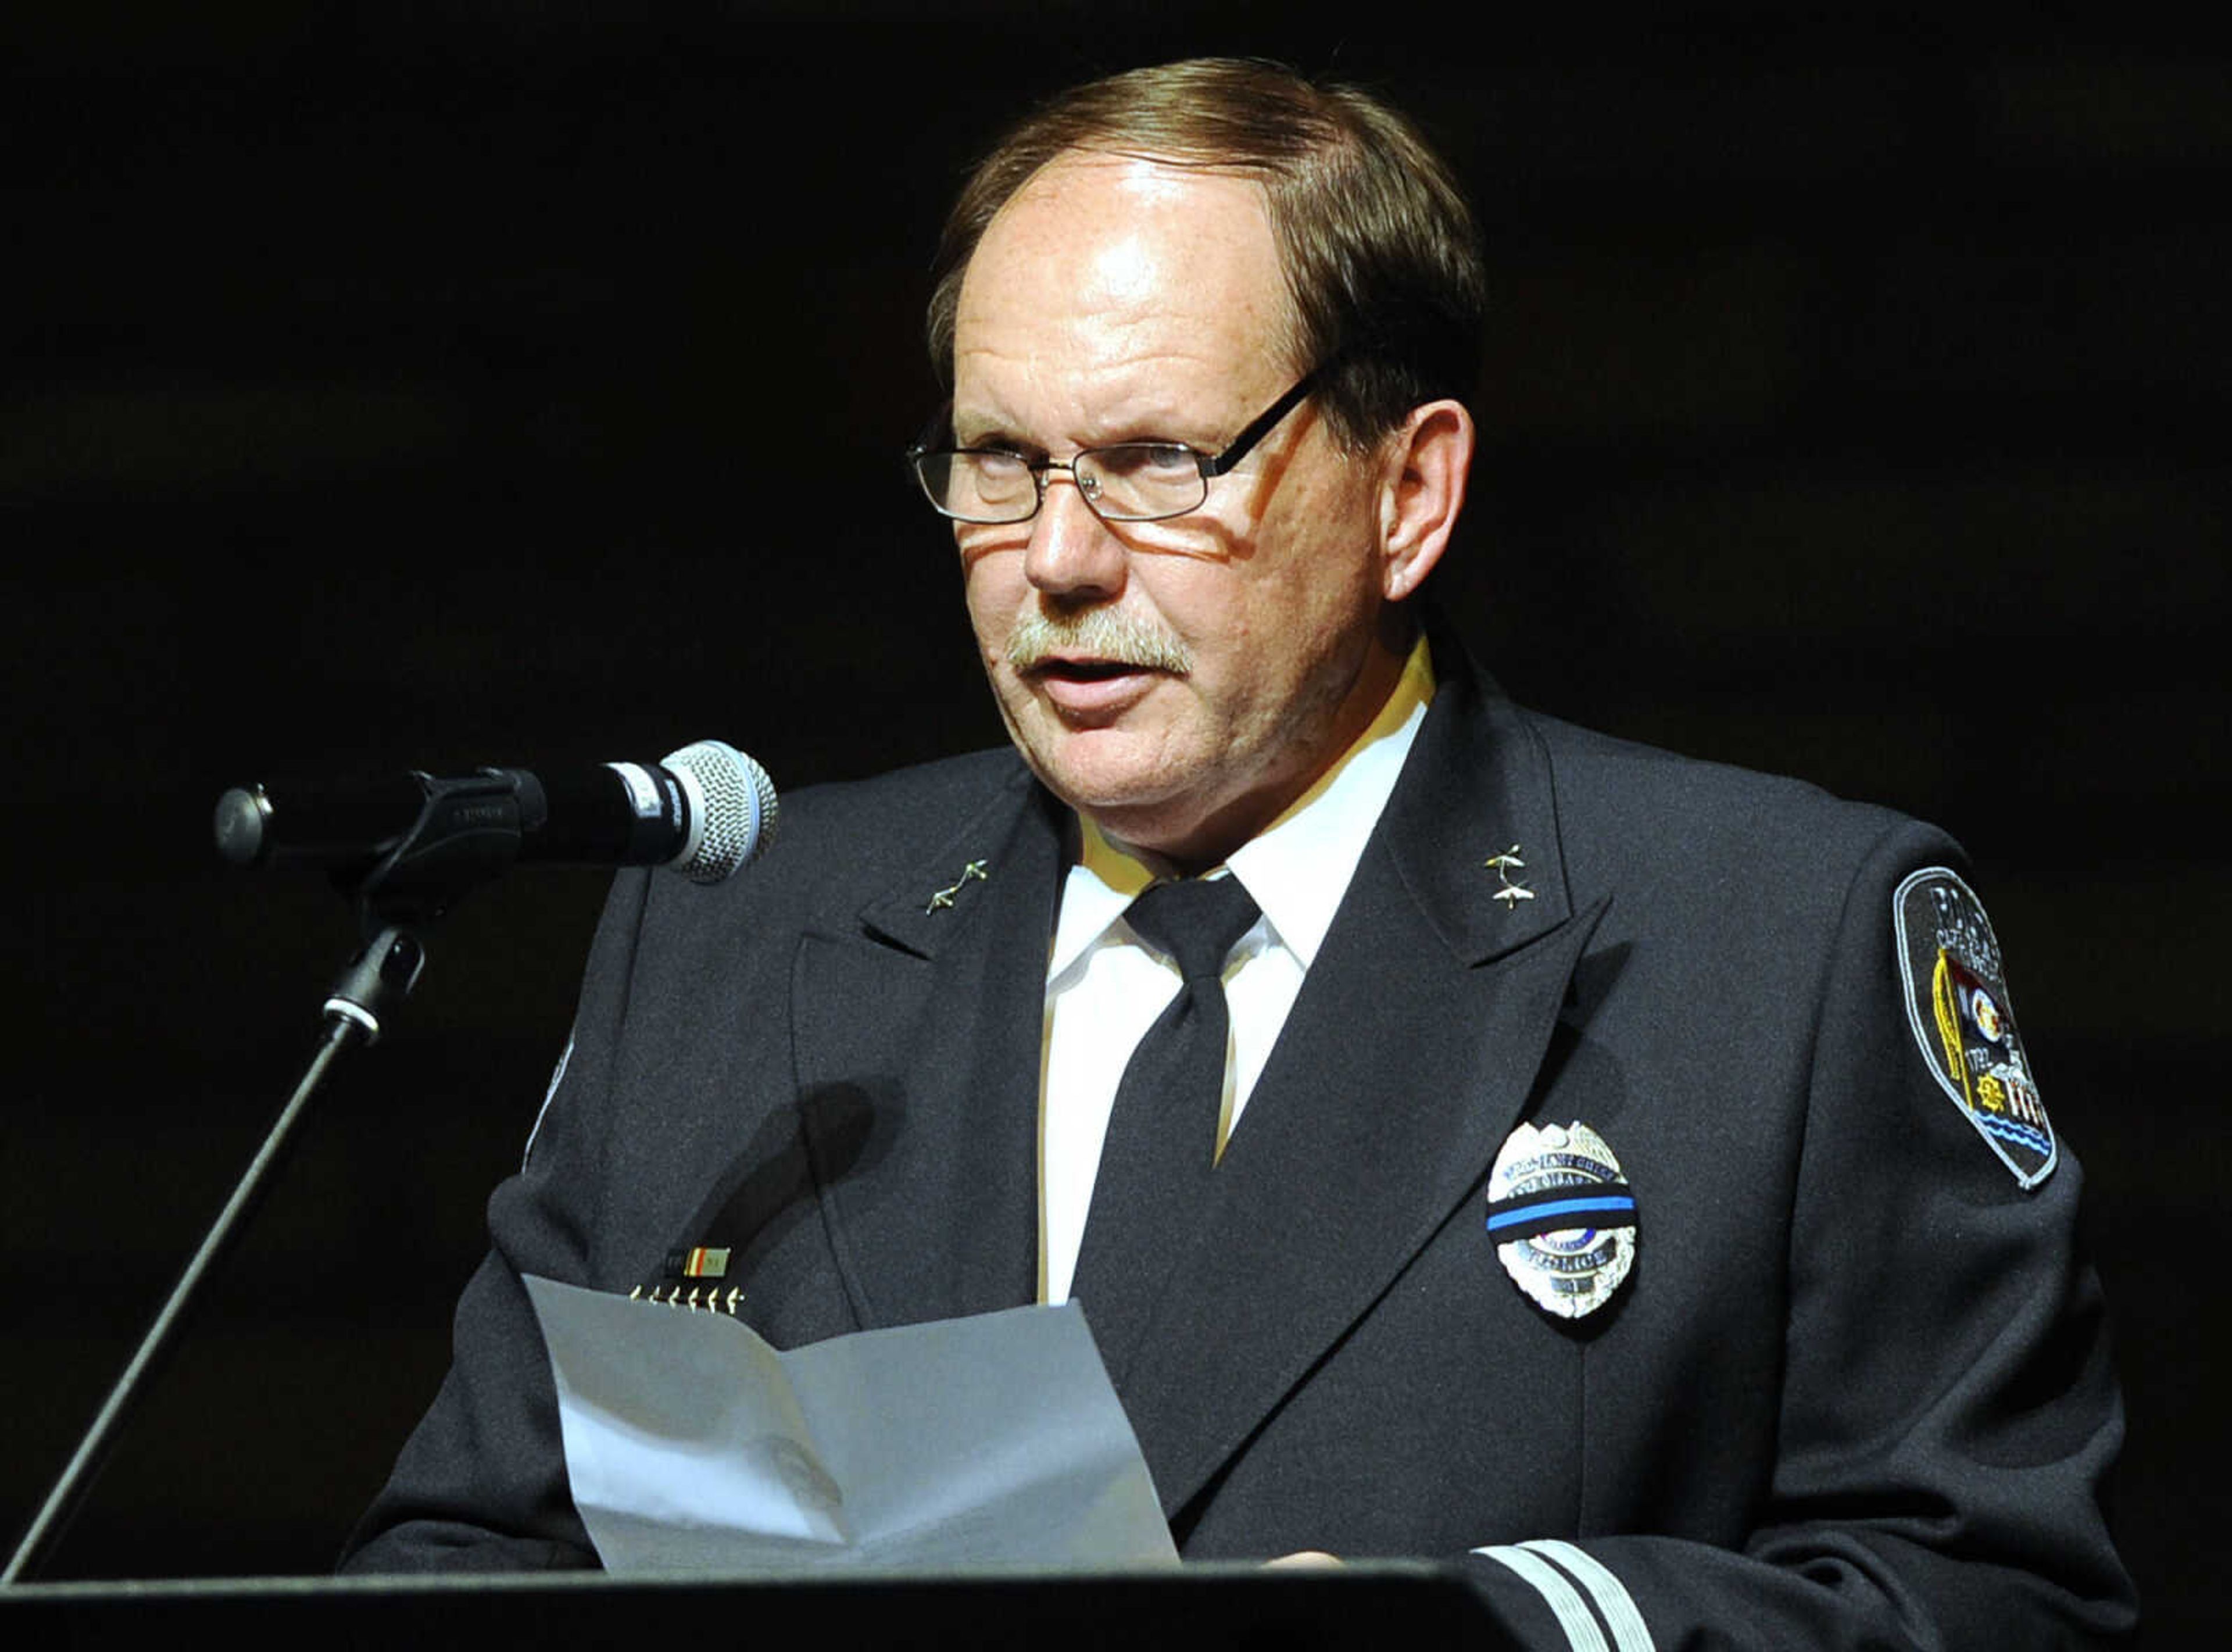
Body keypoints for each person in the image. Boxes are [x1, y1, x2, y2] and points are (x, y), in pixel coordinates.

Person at [342, 58, 2136, 1648]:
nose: (1055, 557)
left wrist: (1492, 1629)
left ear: (1408, 491)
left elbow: (1997, 1591)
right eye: (996, 460)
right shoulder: (736, 942)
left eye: (1157, 460)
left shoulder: (1780, 941)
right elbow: (470, 1552)